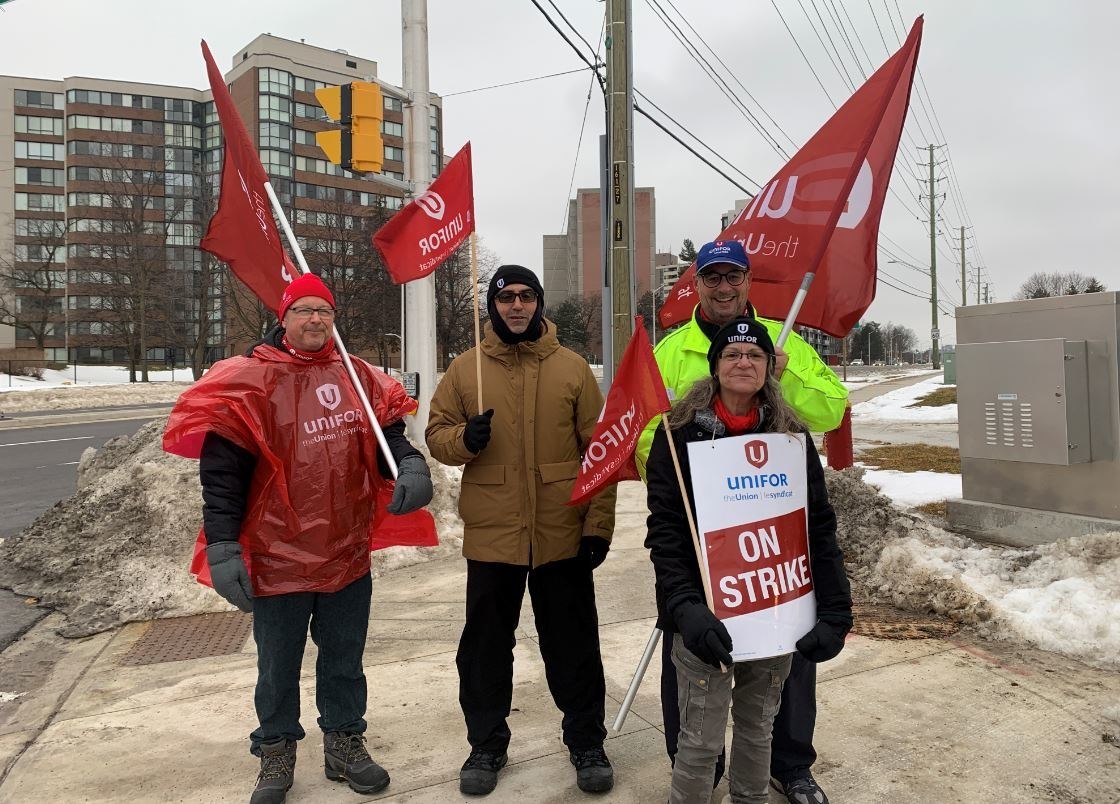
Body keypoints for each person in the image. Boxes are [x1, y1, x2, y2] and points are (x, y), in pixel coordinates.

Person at [163, 273, 433, 804]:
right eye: (304, 310)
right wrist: (222, 545)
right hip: (276, 554)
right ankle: (276, 752)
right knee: (277, 664)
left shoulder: (357, 376)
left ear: (334, 319)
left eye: (324, 311)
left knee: (343, 658)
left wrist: (411, 464)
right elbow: (222, 475)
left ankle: (344, 741)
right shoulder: (251, 381)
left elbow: (388, 438)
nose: (316, 320)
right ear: (284, 317)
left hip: (345, 549)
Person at [636, 239, 849, 804]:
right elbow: (643, 432)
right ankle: (699, 772)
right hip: (703, 550)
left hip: (773, 557)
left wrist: (784, 374)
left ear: (748, 282)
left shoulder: (784, 341)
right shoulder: (671, 349)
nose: (724, 288)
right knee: (692, 671)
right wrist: (676, 476)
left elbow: (830, 410)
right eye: (713, 278)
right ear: (697, 284)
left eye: (734, 278)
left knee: (786, 668)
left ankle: (791, 766)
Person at [426, 265, 617, 797]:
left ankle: (586, 741)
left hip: (562, 533)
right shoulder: (467, 370)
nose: (516, 305)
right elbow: (437, 435)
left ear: (538, 303)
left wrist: (598, 525)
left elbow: (599, 454)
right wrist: (466, 437)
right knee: (486, 648)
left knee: (573, 644)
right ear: (492, 305)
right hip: (494, 534)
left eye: (526, 296)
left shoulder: (573, 368)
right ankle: (486, 744)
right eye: (506, 297)